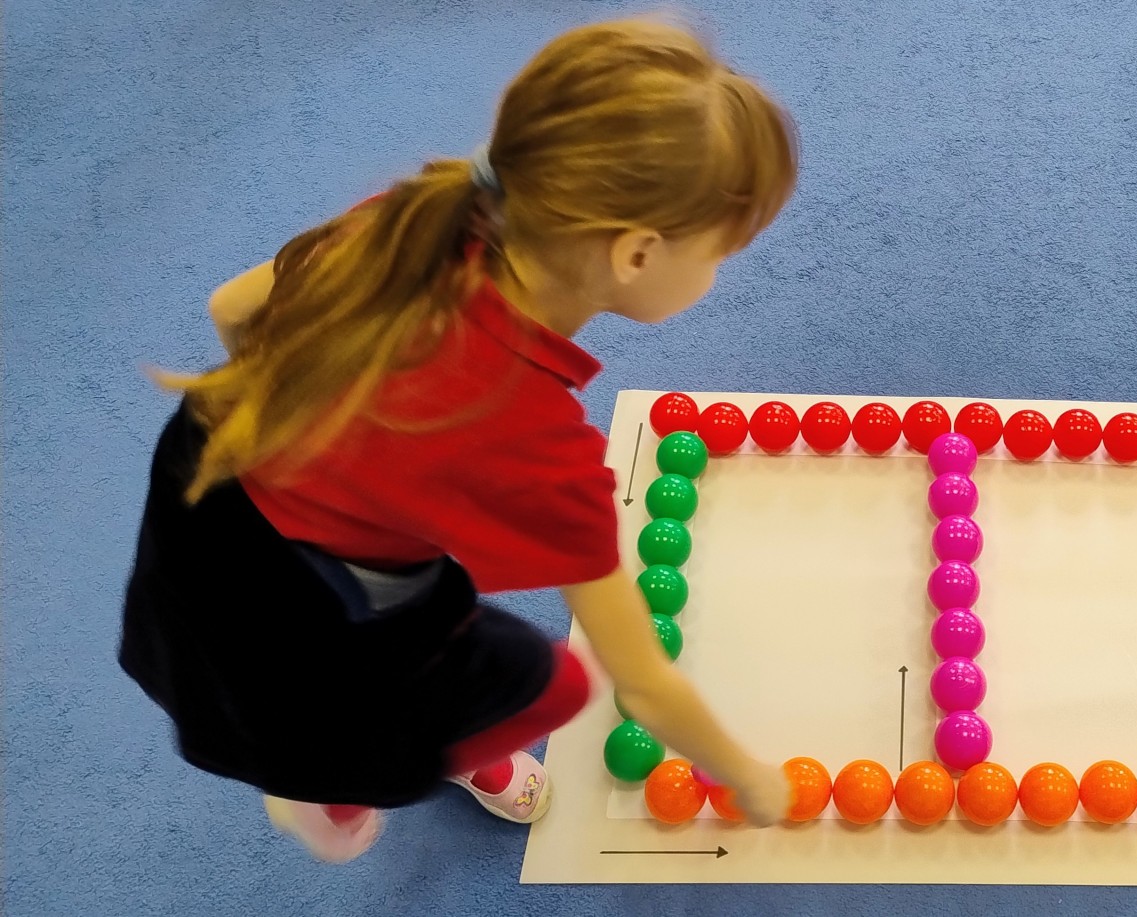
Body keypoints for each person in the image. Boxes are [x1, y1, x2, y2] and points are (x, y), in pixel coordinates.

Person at [119, 17, 798, 864]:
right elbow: (647, 686)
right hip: (308, 594)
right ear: (635, 253)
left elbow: (232, 307)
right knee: (549, 683)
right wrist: (750, 778)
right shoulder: (535, 442)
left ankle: (326, 743)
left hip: (200, 480)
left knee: (332, 653)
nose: (718, 271)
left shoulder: (413, 221)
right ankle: (329, 783)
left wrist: (309, 428)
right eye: (719, 253)